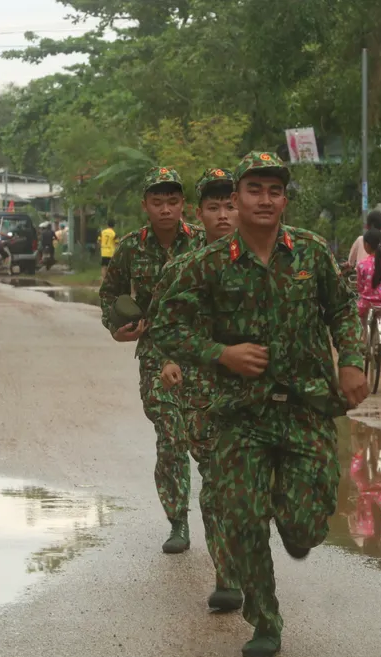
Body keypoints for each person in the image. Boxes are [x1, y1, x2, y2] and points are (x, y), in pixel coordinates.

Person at [150, 151, 367, 657]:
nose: (265, 200)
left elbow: (342, 310)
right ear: (237, 200)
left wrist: (352, 360)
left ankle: (295, 526)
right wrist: (220, 353)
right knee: (243, 520)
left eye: (274, 191)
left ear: (284, 199)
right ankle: (264, 618)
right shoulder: (206, 264)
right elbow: (165, 327)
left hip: (305, 408)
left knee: (306, 524)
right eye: (254, 191)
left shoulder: (311, 253)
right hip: (239, 413)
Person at [147, 167, 242, 611]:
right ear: (199, 213)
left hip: (264, 394)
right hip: (204, 390)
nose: (224, 215)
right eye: (215, 206)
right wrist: (168, 359)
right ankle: (228, 574)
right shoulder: (188, 265)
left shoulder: (287, 256)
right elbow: (167, 323)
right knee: (218, 479)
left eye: (231, 205)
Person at [98, 166, 206, 554]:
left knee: (205, 437)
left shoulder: (202, 242)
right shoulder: (129, 247)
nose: (165, 209)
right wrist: (116, 326)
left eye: (173, 201)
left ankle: (221, 517)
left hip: (201, 354)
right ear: (145, 205)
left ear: (184, 205)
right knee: (172, 434)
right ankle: (178, 520)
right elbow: (109, 294)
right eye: (157, 202)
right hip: (153, 354)